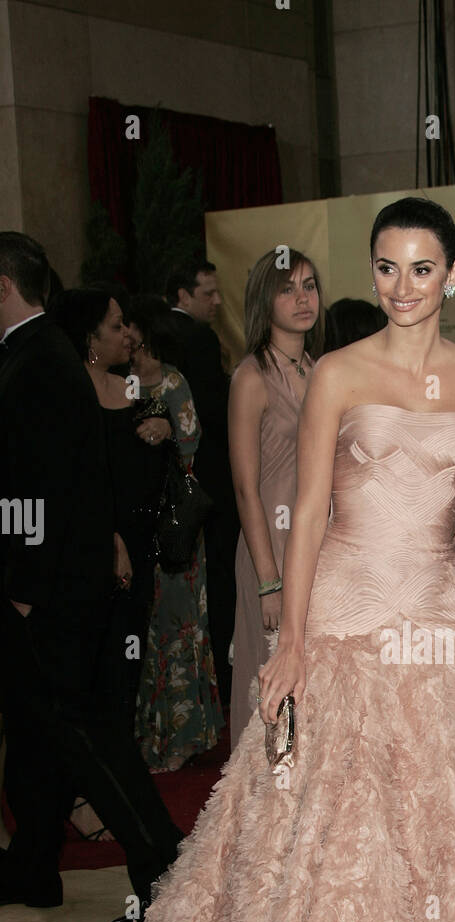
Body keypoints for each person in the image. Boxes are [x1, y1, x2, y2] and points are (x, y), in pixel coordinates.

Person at [0, 199, 455, 922]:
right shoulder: (337, 371)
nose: (402, 287)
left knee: (424, 829)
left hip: (435, 626)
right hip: (338, 616)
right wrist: (288, 636)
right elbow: (309, 508)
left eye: (422, 270)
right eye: (385, 267)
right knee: (325, 835)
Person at [0, 232, 182, 922]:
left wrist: (22, 586)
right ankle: (38, 865)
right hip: (58, 583)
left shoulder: (40, 361)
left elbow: (42, 489)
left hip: (48, 591)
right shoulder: (39, 357)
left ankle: (159, 863)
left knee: (84, 732)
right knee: (49, 731)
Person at [51, 289, 171, 730]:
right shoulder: (69, 393)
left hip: (141, 546)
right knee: (94, 663)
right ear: (90, 337)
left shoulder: (133, 387)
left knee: (129, 656)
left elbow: (162, 454)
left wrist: (163, 428)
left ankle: (120, 748)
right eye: (116, 326)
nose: (127, 335)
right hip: (92, 549)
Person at [228, 248, 324, 748]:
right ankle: (261, 807)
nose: (302, 298)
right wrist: (268, 581)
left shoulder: (319, 368)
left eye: (309, 286)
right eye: (287, 289)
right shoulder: (250, 377)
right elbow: (244, 487)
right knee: (267, 684)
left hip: (315, 543)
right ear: (264, 301)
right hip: (271, 546)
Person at [127, 294, 223, 770]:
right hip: (132, 525)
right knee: (142, 629)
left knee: (180, 626)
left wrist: (166, 431)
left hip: (173, 524)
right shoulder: (114, 383)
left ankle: (185, 736)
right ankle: (148, 736)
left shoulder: (173, 381)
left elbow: (191, 447)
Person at [166, 260, 238, 710]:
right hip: (208, 486)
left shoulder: (158, 333)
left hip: (171, 490)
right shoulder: (197, 337)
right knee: (221, 581)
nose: (216, 302)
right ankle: (223, 684)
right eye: (207, 293)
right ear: (182, 294)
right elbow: (215, 411)